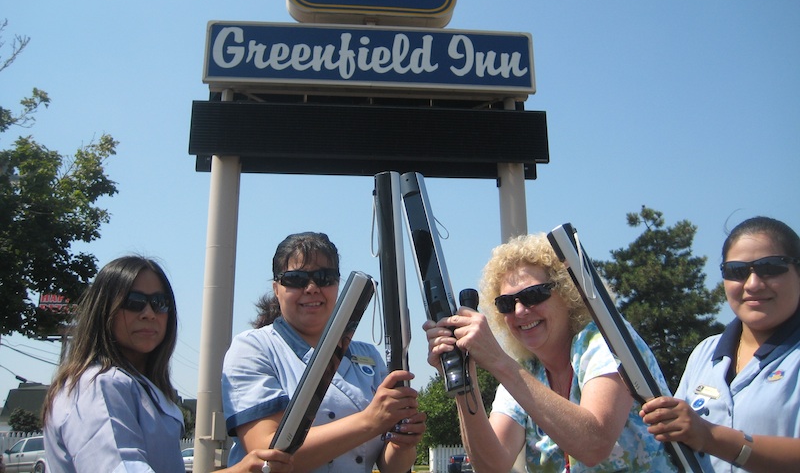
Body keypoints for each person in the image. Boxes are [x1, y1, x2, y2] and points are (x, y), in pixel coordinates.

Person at [424, 233, 677, 472]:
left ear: (567, 294)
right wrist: (462, 377)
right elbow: (491, 466)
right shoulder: (526, 370)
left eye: (534, 295)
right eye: (506, 303)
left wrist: (498, 361)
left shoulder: (605, 340)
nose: (520, 311)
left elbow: (594, 445)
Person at [42, 255, 293, 473]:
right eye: (134, 302)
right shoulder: (99, 385)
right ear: (104, 309)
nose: (149, 313)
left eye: (159, 303)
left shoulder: (139, 386)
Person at [221, 232, 425, 473]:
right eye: (296, 279)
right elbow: (268, 457)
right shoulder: (254, 348)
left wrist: (402, 442)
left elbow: (391, 466)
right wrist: (370, 421)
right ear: (276, 289)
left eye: (324, 278)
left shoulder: (368, 356)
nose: (311, 288)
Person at [641, 216, 800, 472]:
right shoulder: (705, 353)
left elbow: (704, 436)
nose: (753, 284)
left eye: (770, 267)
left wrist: (710, 437)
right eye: (736, 271)